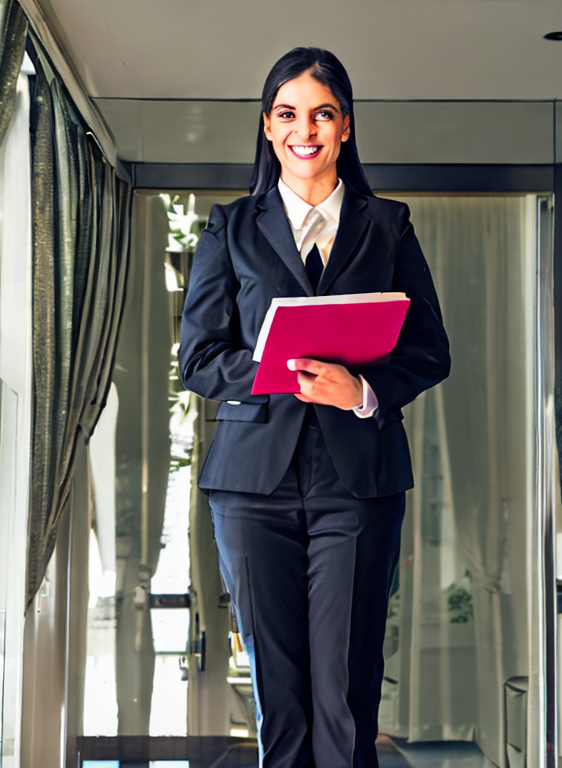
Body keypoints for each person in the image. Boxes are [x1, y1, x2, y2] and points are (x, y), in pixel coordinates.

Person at [179, 47, 450, 768]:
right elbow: (199, 360)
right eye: (289, 114)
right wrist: (282, 372)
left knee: (346, 692)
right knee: (282, 696)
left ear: (346, 127)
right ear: (268, 128)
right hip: (249, 487)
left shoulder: (387, 226)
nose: (307, 129)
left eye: (323, 113)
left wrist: (360, 390)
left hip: (357, 484)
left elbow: (430, 350)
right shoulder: (228, 227)